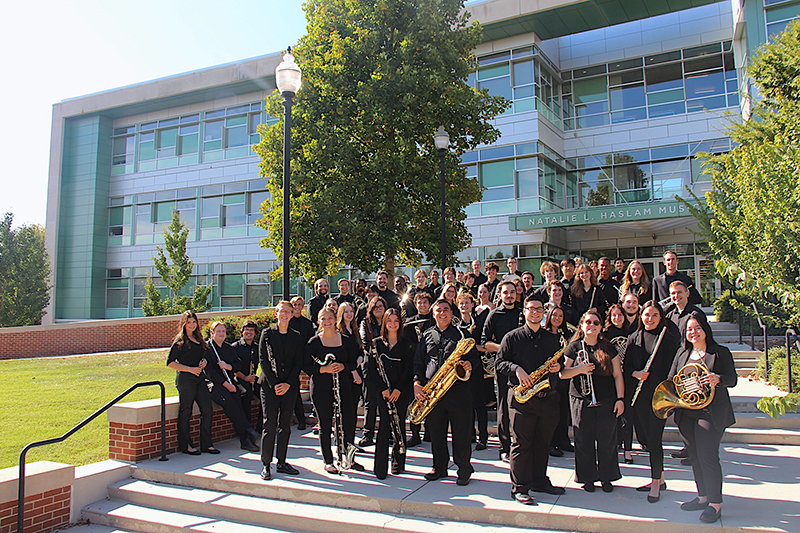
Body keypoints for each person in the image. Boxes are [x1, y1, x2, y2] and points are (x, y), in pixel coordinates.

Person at [495, 296, 565, 505]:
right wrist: (517, 369)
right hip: (521, 399)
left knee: (543, 444)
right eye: (531, 308)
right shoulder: (512, 338)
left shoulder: (551, 338)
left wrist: (558, 367)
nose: (535, 312)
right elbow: (499, 363)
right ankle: (519, 487)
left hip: (547, 399)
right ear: (524, 311)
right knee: (521, 444)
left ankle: (539, 481)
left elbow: (559, 362)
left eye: (539, 309)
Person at [673, 314, 737, 524]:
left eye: (697, 328)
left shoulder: (719, 353)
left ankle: (715, 504)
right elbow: (672, 381)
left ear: (705, 329)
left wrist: (718, 379)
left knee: (708, 455)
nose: (693, 332)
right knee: (694, 456)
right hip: (687, 413)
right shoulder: (683, 354)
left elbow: (732, 380)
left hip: (710, 412)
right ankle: (703, 497)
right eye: (689, 329)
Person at [413, 299, 478, 485]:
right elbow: (418, 362)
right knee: (436, 432)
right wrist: (417, 383)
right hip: (433, 393)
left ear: (452, 313)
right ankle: (439, 467)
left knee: (462, 433)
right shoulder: (426, 335)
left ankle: (464, 469)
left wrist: (469, 364)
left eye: (446, 310)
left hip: (458, 392)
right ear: (433, 314)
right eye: (438, 310)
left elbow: (475, 360)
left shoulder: (462, 335)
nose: (442, 313)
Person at [560, 309, 625, 493]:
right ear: (582, 325)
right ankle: (587, 478)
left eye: (596, 323)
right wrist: (579, 369)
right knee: (583, 440)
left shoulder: (609, 347)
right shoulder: (573, 347)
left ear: (601, 327)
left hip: (606, 399)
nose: (592, 325)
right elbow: (563, 374)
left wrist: (620, 399)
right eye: (588, 322)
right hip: (580, 400)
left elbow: (618, 375)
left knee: (607, 440)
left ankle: (607, 477)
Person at [623, 301, 680, 503]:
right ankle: (661, 478)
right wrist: (636, 373)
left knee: (654, 441)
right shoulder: (634, 338)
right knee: (645, 439)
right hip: (639, 398)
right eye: (647, 315)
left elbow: (676, 368)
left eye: (655, 315)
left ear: (660, 317)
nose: (650, 319)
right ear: (641, 316)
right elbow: (626, 367)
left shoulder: (669, 339)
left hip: (659, 398)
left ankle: (655, 483)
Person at [305, 308, 362, 474]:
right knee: (325, 423)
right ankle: (328, 460)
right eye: (323, 318)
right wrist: (324, 369)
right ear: (318, 321)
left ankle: (349, 457)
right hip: (321, 387)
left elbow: (353, 362)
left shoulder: (345, 340)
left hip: (344, 386)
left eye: (330, 317)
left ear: (335, 319)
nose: (327, 321)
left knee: (348, 421)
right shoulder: (314, 342)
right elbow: (305, 365)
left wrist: (344, 366)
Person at [367, 308, 414, 479]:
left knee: (399, 426)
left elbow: (409, 370)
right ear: (385, 323)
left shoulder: (407, 344)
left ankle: (398, 463)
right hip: (384, 393)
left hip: (400, 393)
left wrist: (398, 389)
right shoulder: (377, 344)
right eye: (389, 321)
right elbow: (370, 370)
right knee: (384, 428)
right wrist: (383, 389)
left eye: (396, 321)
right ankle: (380, 468)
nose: (392, 324)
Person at [258, 302, 303, 480]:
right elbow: (263, 360)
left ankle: (282, 462)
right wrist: (276, 383)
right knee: (269, 424)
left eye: (288, 312)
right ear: (276, 313)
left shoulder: (297, 336)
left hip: (289, 386)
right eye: (281, 311)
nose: (284, 314)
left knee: (285, 425)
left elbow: (298, 363)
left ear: (292, 314)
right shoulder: (267, 334)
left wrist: (287, 384)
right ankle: (266, 464)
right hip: (270, 385)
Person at [481, 281, 522, 463]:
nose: (509, 295)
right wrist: (505, 348)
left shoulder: (524, 312)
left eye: (512, 292)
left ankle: (522, 445)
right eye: (506, 292)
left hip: (525, 366)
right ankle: (504, 448)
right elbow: (485, 343)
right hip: (504, 366)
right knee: (504, 407)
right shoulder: (494, 315)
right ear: (500, 294)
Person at [205, 321, 261, 452]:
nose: (221, 334)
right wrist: (226, 384)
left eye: (223, 331)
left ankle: (245, 439)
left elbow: (237, 365)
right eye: (218, 331)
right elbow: (209, 372)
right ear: (212, 333)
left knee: (238, 399)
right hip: (214, 384)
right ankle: (248, 430)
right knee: (229, 401)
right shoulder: (207, 348)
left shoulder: (228, 348)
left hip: (229, 382)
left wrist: (227, 366)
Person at [167, 311, 213, 455]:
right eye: (189, 322)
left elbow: (203, 355)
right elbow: (170, 363)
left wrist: (204, 362)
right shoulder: (180, 341)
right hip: (186, 379)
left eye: (194, 322)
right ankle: (186, 445)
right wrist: (189, 369)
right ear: (184, 324)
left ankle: (206, 444)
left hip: (199, 378)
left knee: (207, 409)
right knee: (186, 411)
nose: (192, 325)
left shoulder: (198, 339)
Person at [456, 291, 489, 450]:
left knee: (479, 405)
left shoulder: (480, 324)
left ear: (472, 305)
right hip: (461, 369)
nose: (464, 306)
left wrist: (473, 347)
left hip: (476, 367)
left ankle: (483, 437)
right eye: (461, 304)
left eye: (467, 303)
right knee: (465, 405)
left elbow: (484, 345)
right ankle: (470, 435)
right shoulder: (455, 326)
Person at [404, 291, 435, 447]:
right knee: (413, 401)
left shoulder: (435, 321)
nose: (422, 305)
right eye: (419, 303)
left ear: (429, 305)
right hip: (412, 366)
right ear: (415, 305)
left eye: (425, 303)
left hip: (430, 366)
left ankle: (429, 432)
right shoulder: (409, 323)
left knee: (431, 400)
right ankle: (415, 434)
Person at [603, 304, 634, 464]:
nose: (617, 318)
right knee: (612, 415)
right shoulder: (605, 334)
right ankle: (615, 444)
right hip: (611, 377)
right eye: (614, 315)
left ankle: (628, 449)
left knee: (628, 415)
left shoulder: (632, 333)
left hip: (627, 378)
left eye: (620, 315)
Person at [544, 304, 574, 456]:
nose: (557, 318)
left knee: (563, 411)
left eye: (560, 316)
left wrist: (561, 365)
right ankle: (550, 443)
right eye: (554, 315)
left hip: (563, 377)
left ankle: (563, 441)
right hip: (549, 379)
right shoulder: (543, 334)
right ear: (549, 317)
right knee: (551, 414)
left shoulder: (566, 335)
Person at [358, 296, 387, 447]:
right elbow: (366, 344)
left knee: (384, 402)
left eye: (381, 306)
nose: (378, 309)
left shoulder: (390, 321)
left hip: (386, 367)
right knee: (370, 402)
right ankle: (367, 434)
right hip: (370, 365)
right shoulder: (365, 323)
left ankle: (385, 434)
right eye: (375, 306)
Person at [337, 302, 365, 451]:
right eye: (345, 311)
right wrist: (354, 371)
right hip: (346, 375)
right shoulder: (338, 331)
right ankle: (343, 444)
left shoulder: (354, 330)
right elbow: (342, 355)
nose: (349, 314)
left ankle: (351, 442)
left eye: (351, 311)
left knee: (353, 411)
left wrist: (360, 358)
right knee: (345, 412)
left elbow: (359, 350)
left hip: (357, 374)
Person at [289, 296, 314, 429]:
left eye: (299, 305)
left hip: (304, 358)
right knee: (294, 388)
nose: (297, 307)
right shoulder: (288, 322)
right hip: (290, 359)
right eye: (295, 305)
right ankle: (300, 419)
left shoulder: (307, 323)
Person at [232, 320, 260, 429]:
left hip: (252, 378)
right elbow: (232, 368)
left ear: (255, 333)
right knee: (246, 395)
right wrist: (245, 377)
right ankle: (247, 429)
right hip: (239, 378)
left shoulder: (257, 347)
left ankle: (260, 427)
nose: (249, 332)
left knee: (266, 393)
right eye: (246, 330)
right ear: (242, 332)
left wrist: (252, 378)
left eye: (252, 330)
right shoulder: (235, 347)